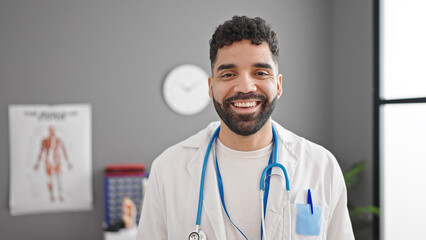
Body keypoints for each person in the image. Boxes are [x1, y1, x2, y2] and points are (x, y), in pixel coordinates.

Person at [137, 16, 354, 239]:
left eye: (260, 73)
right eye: (228, 74)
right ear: (211, 87)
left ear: (278, 85)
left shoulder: (321, 165)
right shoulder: (168, 168)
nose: (245, 87)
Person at [34, 126, 72, 202]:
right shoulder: (45, 140)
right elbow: (41, 151)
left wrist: (68, 162)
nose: (52, 132)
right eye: (50, 131)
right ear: (49, 131)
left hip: (57, 161)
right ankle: (51, 195)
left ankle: (60, 194)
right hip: (48, 161)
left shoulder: (58, 140)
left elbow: (64, 151)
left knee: (59, 178)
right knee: (50, 179)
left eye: (53, 130)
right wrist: (37, 163)